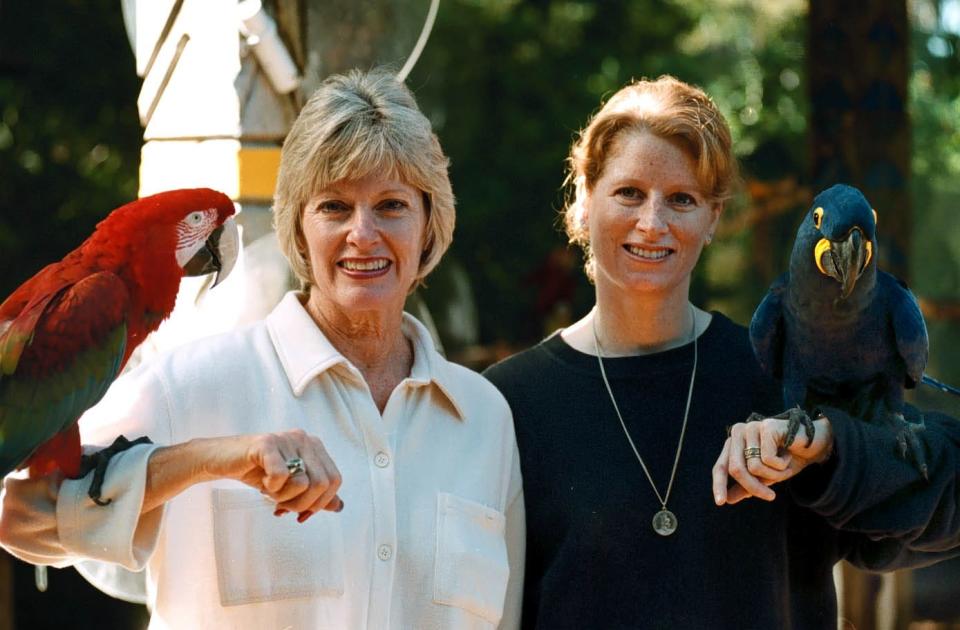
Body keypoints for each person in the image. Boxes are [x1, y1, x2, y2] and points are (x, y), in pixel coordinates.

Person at [0, 69, 524, 630]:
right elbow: (16, 517)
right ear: (298, 229)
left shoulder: (484, 418)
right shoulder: (188, 386)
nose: (363, 233)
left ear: (430, 225)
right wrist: (211, 459)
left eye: (392, 205)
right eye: (334, 207)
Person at [483, 75, 960, 629]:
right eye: (629, 193)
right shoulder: (508, 402)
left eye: (681, 199)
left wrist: (829, 449)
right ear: (585, 200)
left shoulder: (779, 373)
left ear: (713, 217)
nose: (652, 222)